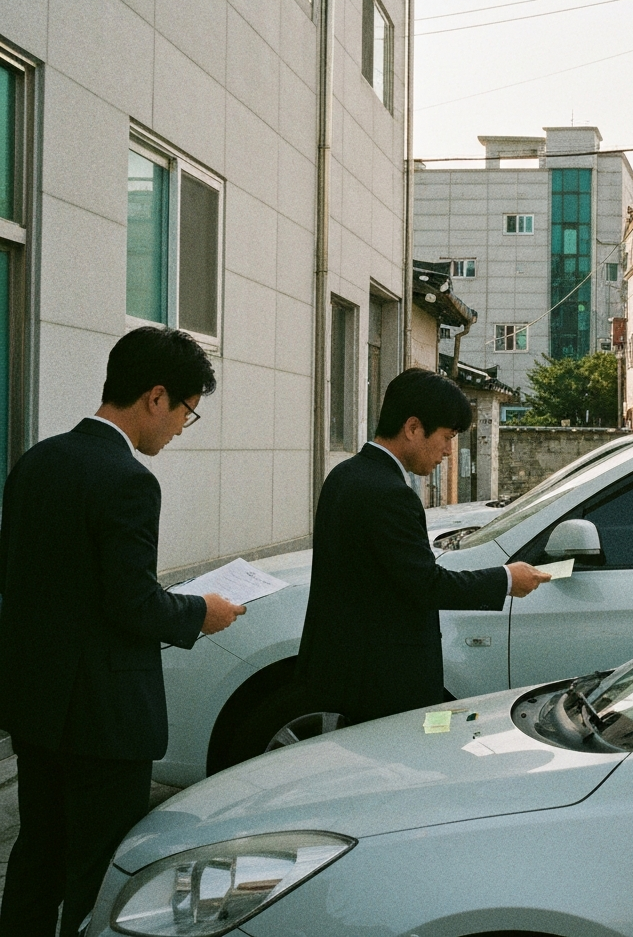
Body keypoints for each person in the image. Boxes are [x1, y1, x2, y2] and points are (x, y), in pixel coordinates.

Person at [0, 327, 246, 937]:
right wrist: (200, 612)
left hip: (37, 705)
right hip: (104, 719)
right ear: (156, 397)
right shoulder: (129, 479)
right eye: (187, 412)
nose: (181, 429)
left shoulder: (36, 461)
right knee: (99, 873)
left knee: (37, 857)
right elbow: (132, 603)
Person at [297, 368, 549, 725]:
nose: (448, 451)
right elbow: (425, 584)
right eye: (446, 437)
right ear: (413, 428)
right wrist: (506, 579)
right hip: (384, 682)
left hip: (351, 672)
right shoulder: (389, 493)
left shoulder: (346, 474)